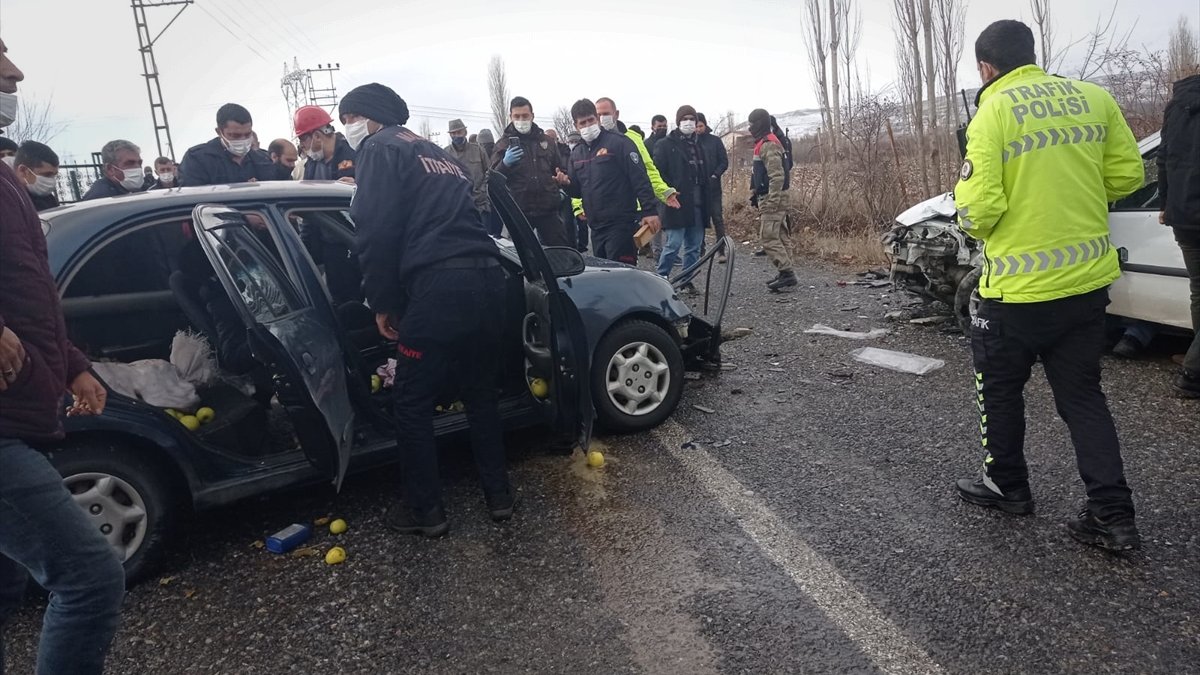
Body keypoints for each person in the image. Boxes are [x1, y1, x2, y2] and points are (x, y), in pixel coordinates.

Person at [952, 20, 1144, 550]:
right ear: (1031, 54)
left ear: (985, 68)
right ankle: (1112, 514)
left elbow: (979, 210)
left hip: (1015, 292)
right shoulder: (1094, 98)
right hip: (1085, 285)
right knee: (1083, 397)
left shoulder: (992, 111)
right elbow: (1128, 177)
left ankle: (1007, 486)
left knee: (999, 391)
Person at [0, 35, 126, 675]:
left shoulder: (3, 176)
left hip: (18, 409)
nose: (14, 72)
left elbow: (29, 292)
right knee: (89, 578)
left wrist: (72, 362)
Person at [341, 83, 515, 536]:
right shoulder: (438, 153)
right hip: (487, 280)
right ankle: (499, 497)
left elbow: (375, 231)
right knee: (480, 393)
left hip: (440, 289)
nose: (348, 128)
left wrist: (383, 303)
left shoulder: (379, 148)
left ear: (371, 116)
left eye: (350, 118)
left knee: (411, 399)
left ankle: (426, 511)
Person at [563, 98, 661, 265]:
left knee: (621, 273)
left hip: (621, 224)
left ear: (597, 118)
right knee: (604, 274)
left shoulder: (619, 143)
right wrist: (565, 184)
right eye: (582, 123)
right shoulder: (577, 153)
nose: (588, 125)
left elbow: (640, 178)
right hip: (596, 227)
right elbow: (578, 191)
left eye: (590, 120)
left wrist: (649, 210)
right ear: (576, 125)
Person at [583, 98, 680, 262]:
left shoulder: (631, 139)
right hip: (600, 218)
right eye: (598, 115)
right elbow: (585, 179)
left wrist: (664, 192)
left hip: (627, 212)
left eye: (605, 114)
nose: (602, 118)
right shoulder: (590, 143)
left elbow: (647, 171)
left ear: (616, 114)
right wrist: (580, 206)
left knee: (623, 264)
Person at [1157, 70, 1200, 398]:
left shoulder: (1177, 106)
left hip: (1183, 214)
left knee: (1198, 291)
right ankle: (1193, 373)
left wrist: (1165, 203)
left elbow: (1162, 159)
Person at [294, 105, 363, 305]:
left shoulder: (355, 154)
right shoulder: (311, 165)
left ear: (317, 136)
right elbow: (308, 210)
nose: (302, 146)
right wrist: (305, 250)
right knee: (341, 301)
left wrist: (359, 185)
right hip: (330, 246)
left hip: (355, 242)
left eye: (303, 140)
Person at [490, 96, 571, 246]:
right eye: (517, 116)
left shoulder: (547, 142)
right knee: (522, 256)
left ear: (532, 116)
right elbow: (493, 180)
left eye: (525, 116)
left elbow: (560, 170)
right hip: (519, 212)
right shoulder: (502, 145)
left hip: (548, 210)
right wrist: (504, 164)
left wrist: (561, 178)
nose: (521, 120)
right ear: (510, 117)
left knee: (560, 254)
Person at [748, 109, 797, 291]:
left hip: (773, 198)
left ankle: (787, 272)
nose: (750, 128)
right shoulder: (766, 142)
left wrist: (772, 201)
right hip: (773, 196)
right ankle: (786, 271)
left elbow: (777, 176)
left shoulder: (768, 144)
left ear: (759, 124)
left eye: (752, 124)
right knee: (781, 235)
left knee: (768, 237)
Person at [178, 103, 275, 186]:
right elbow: (192, 196)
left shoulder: (263, 159)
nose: (243, 140)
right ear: (219, 132)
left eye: (247, 134)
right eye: (235, 136)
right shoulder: (197, 159)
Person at [696, 112, 730, 263]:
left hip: (714, 188)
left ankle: (721, 250)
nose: (698, 129)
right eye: (696, 126)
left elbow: (724, 161)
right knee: (699, 220)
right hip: (698, 188)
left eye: (700, 126)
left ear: (705, 125)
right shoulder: (691, 142)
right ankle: (700, 251)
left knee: (717, 218)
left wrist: (715, 175)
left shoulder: (715, 141)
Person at [445, 118, 491, 219]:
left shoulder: (478, 150)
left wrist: (482, 191)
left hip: (480, 205)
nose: (456, 135)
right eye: (453, 133)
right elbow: (444, 180)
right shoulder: (445, 154)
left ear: (465, 132)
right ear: (450, 135)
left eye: (459, 132)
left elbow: (489, 172)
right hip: (458, 207)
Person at [14, 140, 60, 211]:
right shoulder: (8, 201)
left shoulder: (48, 198)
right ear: (23, 171)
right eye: (47, 174)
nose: (52, 180)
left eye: (54, 175)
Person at [566, 130, 589, 251]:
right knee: (569, 224)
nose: (573, 143)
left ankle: (583, 246)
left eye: (575, 141)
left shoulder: (586, 155)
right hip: (568, 195)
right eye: (571, 141)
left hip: (581, 197)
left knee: (582, 224)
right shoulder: (566, 155)